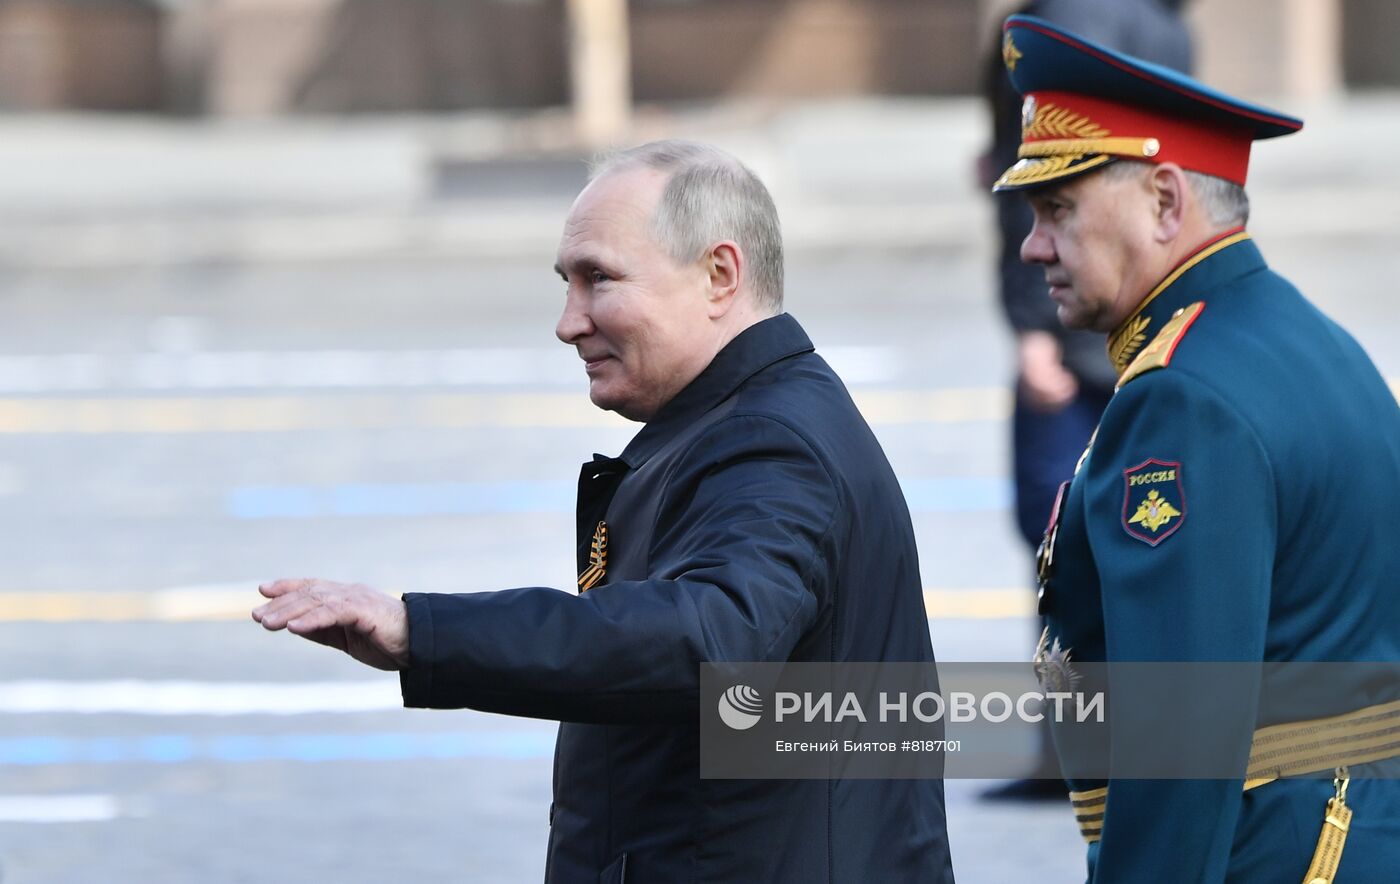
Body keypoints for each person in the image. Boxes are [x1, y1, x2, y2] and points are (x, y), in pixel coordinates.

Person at [253, 140, 955, 883]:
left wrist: (421, 630)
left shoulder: (767, 443)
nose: (569, 321)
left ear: (719, 276)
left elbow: (708, 639)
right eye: (567, 283)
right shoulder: (745, 418)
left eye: (599, 281)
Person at [992, 15, 1400, 882]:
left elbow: (1179, 739)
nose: (1033, 247)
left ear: (1166, 201)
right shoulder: (1309, 340)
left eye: (1057, 209)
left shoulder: (1180, 397)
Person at [979, 0, 1194, 801]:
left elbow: (1054, 191)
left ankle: (1077, 753)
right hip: (1149, 319)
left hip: (1080, 334)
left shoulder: (1060, 23)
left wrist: (1035, 327)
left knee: (1062, 527)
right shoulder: (1160, 16)